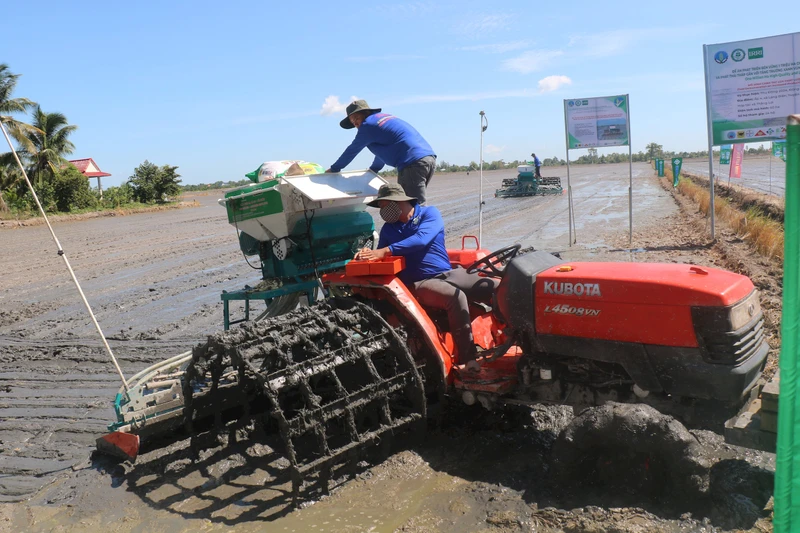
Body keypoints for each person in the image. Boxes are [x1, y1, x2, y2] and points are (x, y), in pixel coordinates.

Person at [355, 184, 498, 372]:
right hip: (420, 283)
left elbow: (422, 239)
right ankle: (468, 359)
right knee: (456, 298)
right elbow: (380, 255)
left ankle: (513, 336)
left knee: (498, 286)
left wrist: (386, 250)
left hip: (448, 273)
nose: (382, 211)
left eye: (384, 205)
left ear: (399, 202)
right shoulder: (389, 229)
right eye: (380, 207)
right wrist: (367, 253)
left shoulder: (429, 214)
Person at [327, 100, 436, 204]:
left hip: (412, 163)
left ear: (366, 113)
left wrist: (334, 169)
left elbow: (352, 150)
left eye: (356, 118)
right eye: (352, 121)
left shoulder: (367, 126)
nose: (355, 123)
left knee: (411, 206)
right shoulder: (382, 120)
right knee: (415, 202)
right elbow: (382, 153)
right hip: (428, 158)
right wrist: (374, 170)